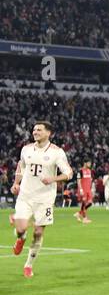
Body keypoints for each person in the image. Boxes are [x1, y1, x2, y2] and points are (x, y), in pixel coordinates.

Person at [10, 120, 73, 279]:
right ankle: (21, 238)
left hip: (44, 199)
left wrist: (53, 179)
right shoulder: (26, 149)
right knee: (21, 228)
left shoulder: (56, 152)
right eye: (34, 130)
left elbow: (69, 173)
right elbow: (21, 166)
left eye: (39, 130)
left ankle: (28, 265)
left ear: (48, 133)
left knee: (38, 232)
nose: (35, 132)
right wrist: (16, 183)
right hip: (25, 195)